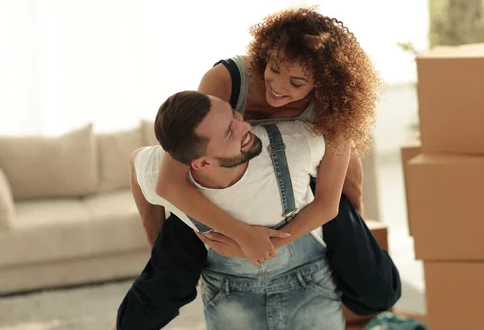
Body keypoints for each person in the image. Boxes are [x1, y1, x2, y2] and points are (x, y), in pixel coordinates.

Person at [115, 7, 401, 329]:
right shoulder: (225, 79)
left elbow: (334, 195)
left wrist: (260, 246)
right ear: (266, 52)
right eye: (274, 68)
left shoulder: (332, 107)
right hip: (222, 181)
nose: (278, 86)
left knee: (375, 284)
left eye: (296, 81)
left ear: (323, 83)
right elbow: (170, 180)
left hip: (303, 186)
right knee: (165, 278)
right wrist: (240, 235)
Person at [121, 91, 344, 329]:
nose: (245, 125)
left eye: (233, 114)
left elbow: (341, 139)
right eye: (229, 132)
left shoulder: (295, 145)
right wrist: (156, 243)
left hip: (309, 286)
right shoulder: (157, 173)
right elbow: (137, 166)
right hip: (228, 297)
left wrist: (254, 245)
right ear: (202, 163)